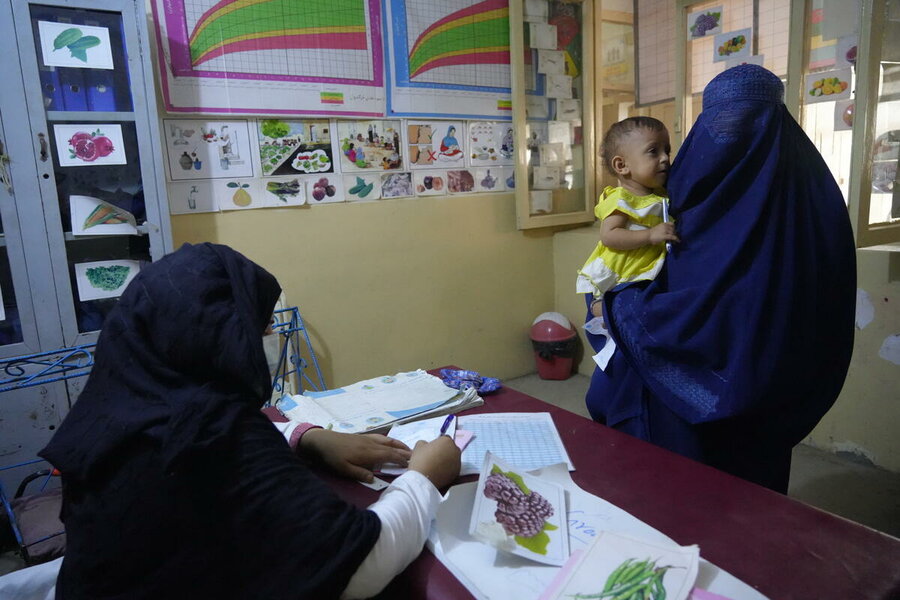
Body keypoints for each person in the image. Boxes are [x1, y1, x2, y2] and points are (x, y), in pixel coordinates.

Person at [38, 242, 461, 599]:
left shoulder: (120, 400)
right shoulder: (215, 430)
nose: (264, 344)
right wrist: (424, 478)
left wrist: (306, 437)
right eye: (257, 332)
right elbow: (362, 566)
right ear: (217, 336)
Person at [586, 64, 857, 493]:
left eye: (744, 121)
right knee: (751, 493)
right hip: (774, 386)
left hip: (694, 404)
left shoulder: (704, 187)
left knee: (692, 502)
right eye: (722, 122)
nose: (731, 137)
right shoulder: (814, 195)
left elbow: (693, 314)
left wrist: (618, 305)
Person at [576, 116, 678, 321]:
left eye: (667, 150)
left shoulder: (660, 194)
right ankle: (599, 308)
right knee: (620, 307)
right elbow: (609, 235)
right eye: (653, 151)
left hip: (646, 269)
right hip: (622, 270)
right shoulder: (621, 199)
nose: (665, 158)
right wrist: (650, 235)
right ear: (622, 165)